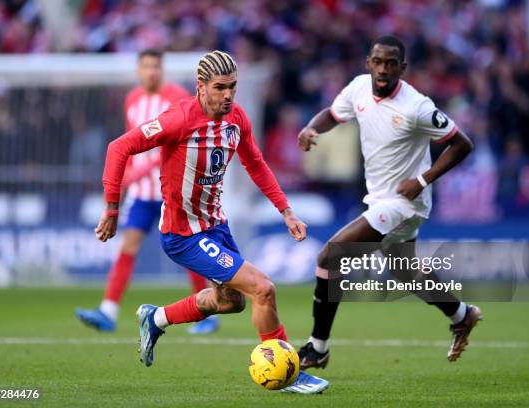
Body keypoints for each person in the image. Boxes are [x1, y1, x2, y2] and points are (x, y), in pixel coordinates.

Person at [95, 50, 329, 394]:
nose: (228, 95)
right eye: (220, 87)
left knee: (230, 302)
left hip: (216, 226)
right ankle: (289, 374)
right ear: (200, 87)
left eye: (232, 87)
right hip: (183, 233)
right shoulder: (177, 119)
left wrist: (286, 211)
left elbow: (256, 164)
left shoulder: (237, 118)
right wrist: (113, 209)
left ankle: (156, 318)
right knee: (263, 289)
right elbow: (119, 147)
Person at [296, 36, 482, 369]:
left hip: (405, 202)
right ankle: (461, 314)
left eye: (391, 63)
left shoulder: (417, 106)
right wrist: (312, 128)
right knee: (403, 269)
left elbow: (462, 144)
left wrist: (422, 180)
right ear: (368, 62)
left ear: (402, 67)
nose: (383, 69)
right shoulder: (357, 88)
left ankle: (317, 347)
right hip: (380, 197)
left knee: (331, 256)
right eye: (378, 62)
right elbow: (332, 115)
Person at [75, 49, 219, 335]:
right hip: (142, 194)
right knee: (127, 246)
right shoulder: (132, 100)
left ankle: (208, 313)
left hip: (173, 192)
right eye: (146, 66)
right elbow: (131, 140)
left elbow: (177, 140)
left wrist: (145, 167)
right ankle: (108, 311)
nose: (151, 72)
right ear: (139, 70)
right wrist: (128, 171)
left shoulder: (177, 96)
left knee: (190, 252)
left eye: (156, 66)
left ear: (162, 69)